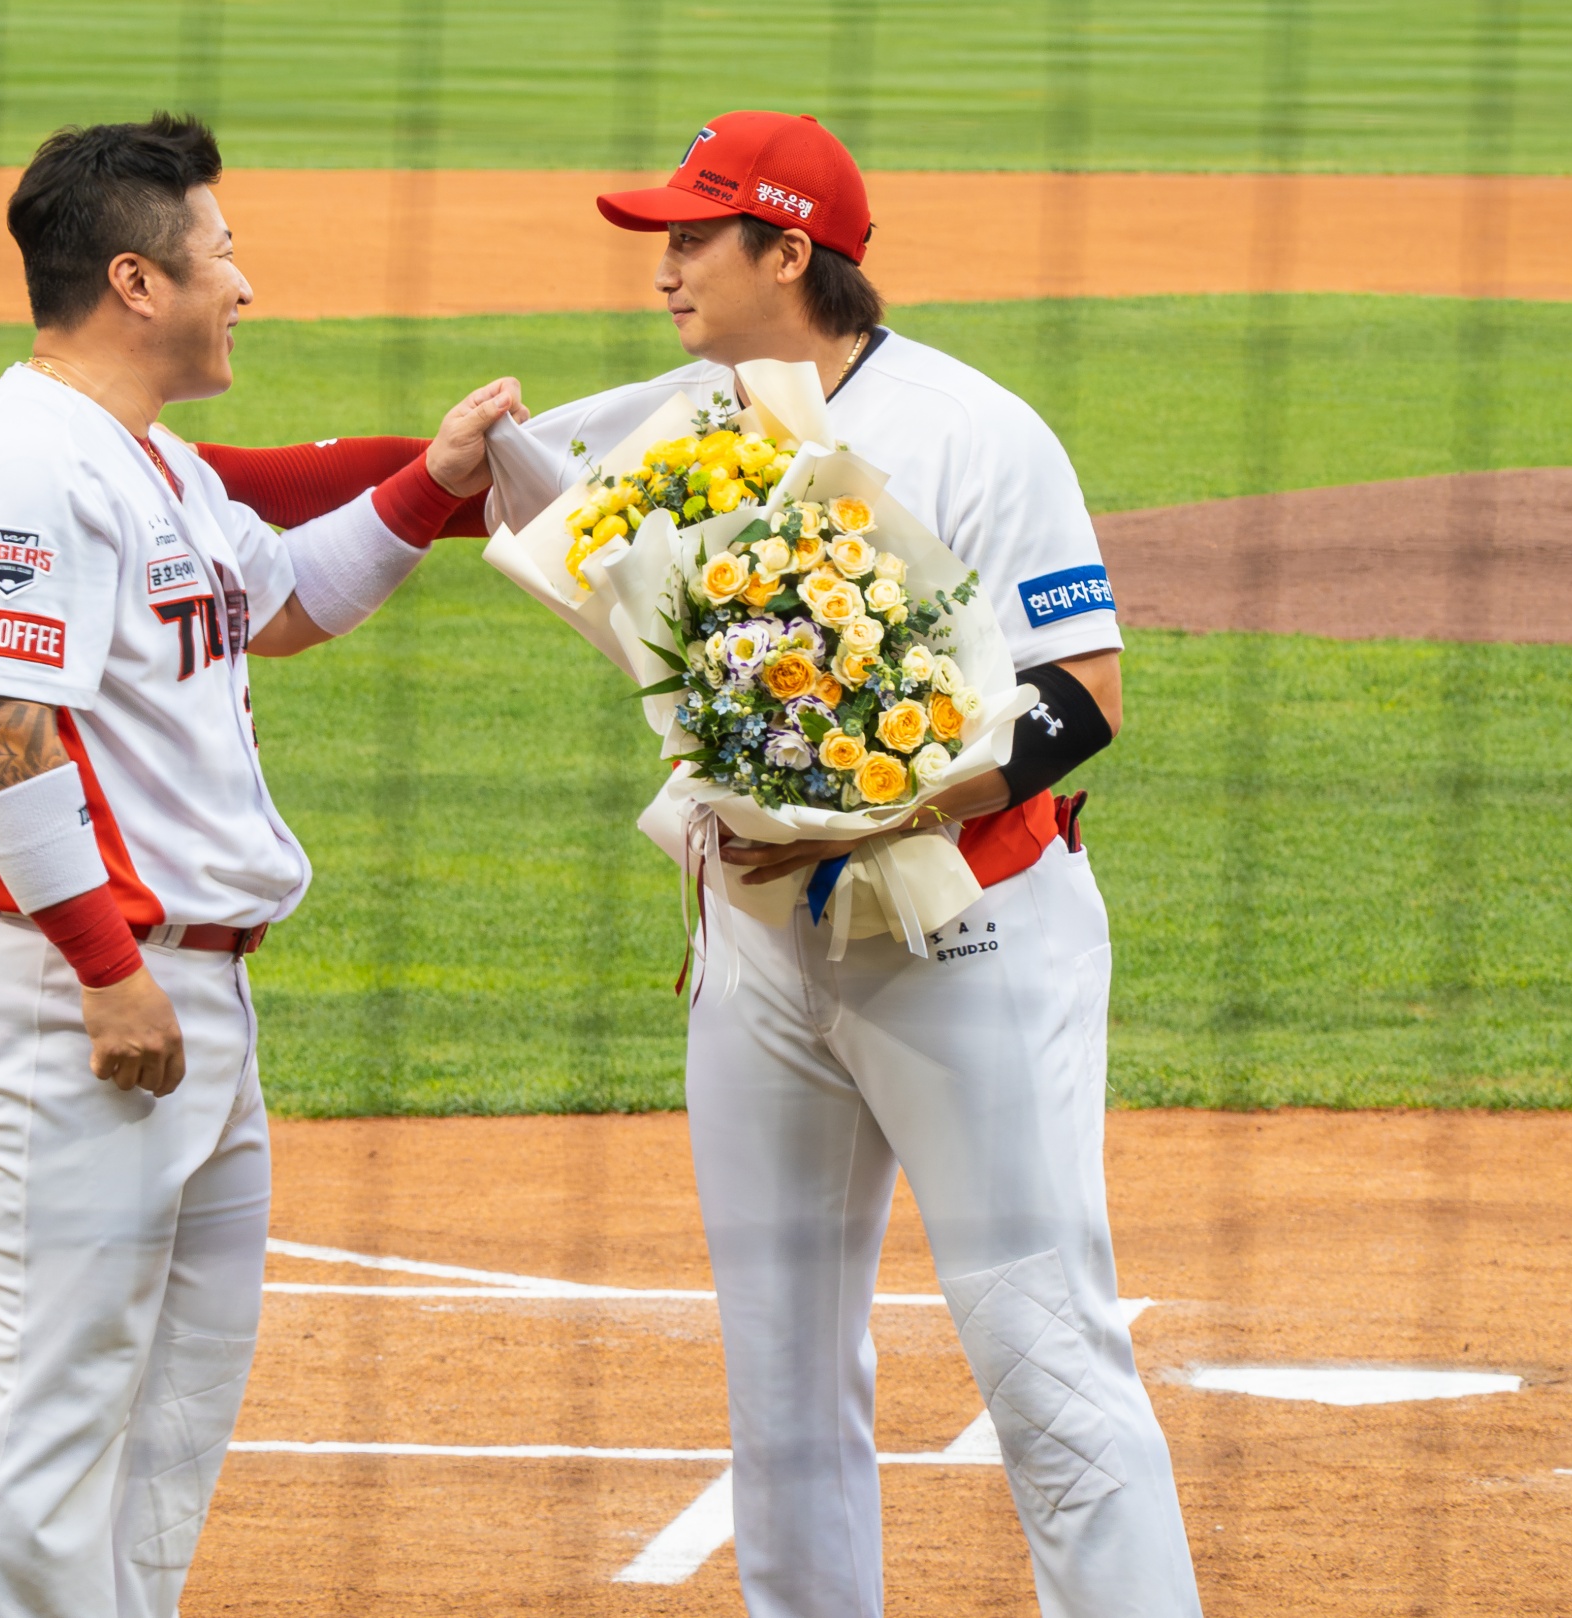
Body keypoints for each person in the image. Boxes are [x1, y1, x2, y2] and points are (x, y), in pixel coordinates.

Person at [498, 111, 1201, 1618]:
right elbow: (523, 485)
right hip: (755, 945)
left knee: (1043, 1353)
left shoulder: (974, 427)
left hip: (966, 938)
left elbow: (1086, 694)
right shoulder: (687, 422)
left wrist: (884, 807)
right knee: (780, 1373)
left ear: (789, 252)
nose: (663, 268)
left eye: (693, 237)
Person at [0, 112, 519, 1618]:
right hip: (77, 988)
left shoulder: (152, 464)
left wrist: (434, 479)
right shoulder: (30, 465)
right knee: (60, 1392)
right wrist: (106, 965)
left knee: (174, 1399)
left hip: (191, 992)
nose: (245, 284)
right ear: (136, 280)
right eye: (222, 254)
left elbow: (284, 599)